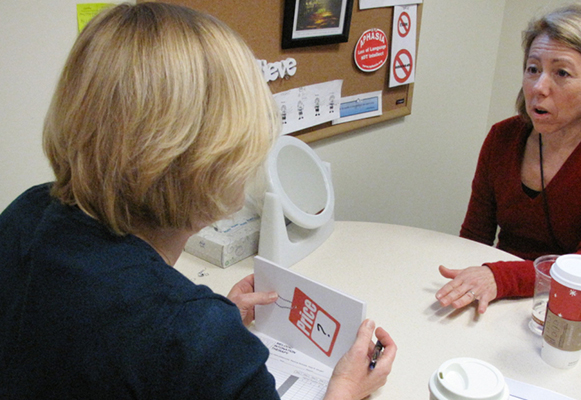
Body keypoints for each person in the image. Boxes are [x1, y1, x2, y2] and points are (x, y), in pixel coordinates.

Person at [0, 3, 395, 399]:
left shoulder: (27, 212)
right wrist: (345, 388)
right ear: (208, 162)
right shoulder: (193, 336)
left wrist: (199, 322)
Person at [436, 4, 581, 314]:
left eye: (561, 73)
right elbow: (475, 237)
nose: (538, 88)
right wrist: (467, 284)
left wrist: (499, 276)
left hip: (574, 303)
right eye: (533, 68)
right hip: (501, 292)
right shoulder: (503, 138)